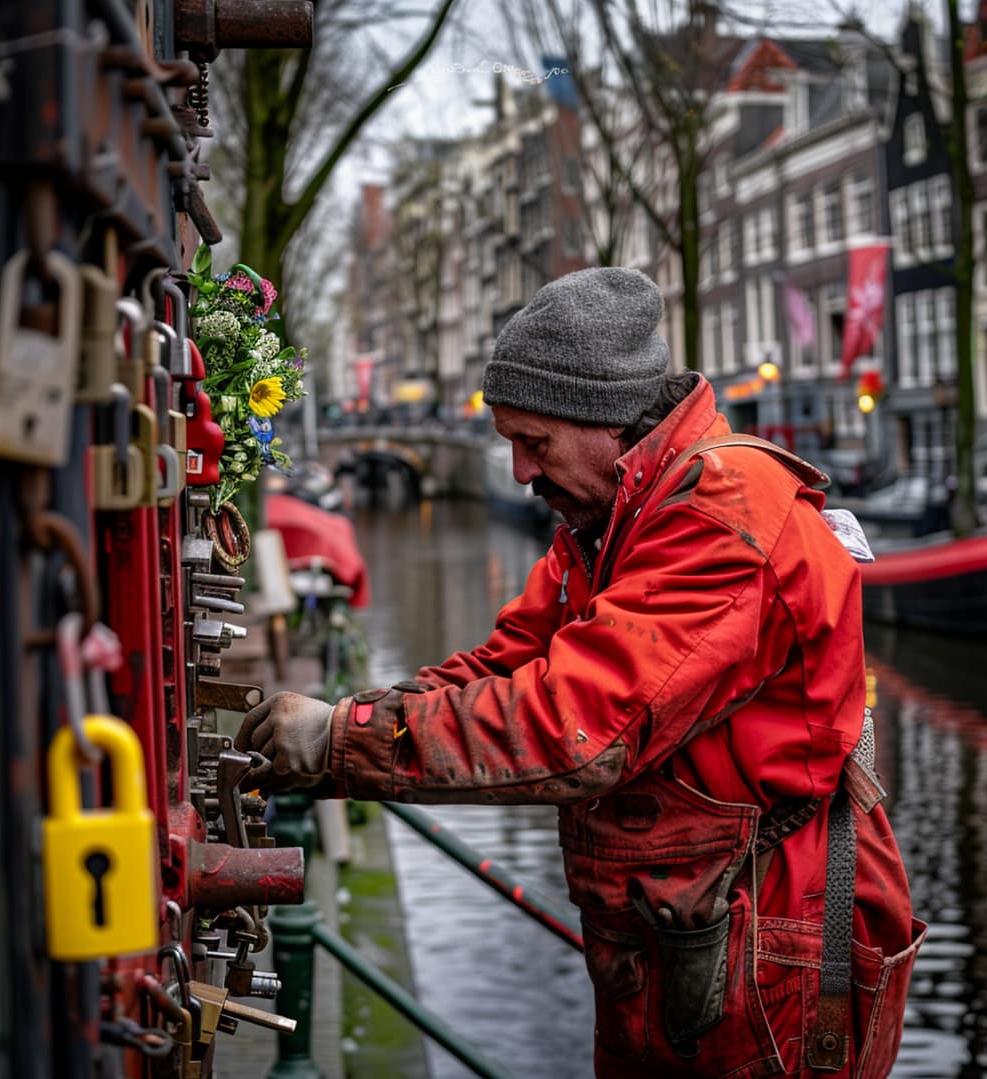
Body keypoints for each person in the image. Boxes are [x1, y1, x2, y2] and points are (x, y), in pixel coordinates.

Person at [236, 268, 926, 1078]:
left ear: (609, 424)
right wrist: (356, 714)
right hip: (678, 937)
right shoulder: (610, 518)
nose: (522, 473)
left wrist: (336, 742)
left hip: (773, 948)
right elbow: (508, 663)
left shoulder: (724, 525)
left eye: (536, 443)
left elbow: (575, 728)